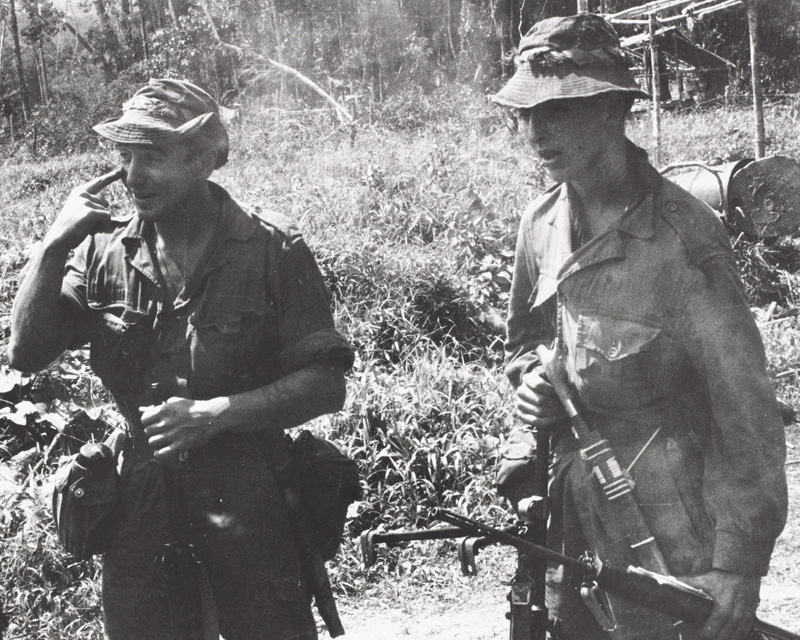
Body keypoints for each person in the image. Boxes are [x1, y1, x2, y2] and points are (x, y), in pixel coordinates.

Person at [7, 78, 354, 640]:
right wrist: (51, 249)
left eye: (153, 156)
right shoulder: (102, 252)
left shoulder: (272, 248)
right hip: (142, 501)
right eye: (125, 157)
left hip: (248, 493)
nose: (133, 177)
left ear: (202, 159)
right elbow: (25, 352)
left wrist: (218, 414)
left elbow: (325, 383)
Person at [494, 14, 787, 640]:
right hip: (568, 516)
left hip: (671, 531)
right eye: (526, 114)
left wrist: (738, 567)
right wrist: (530, 384)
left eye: (556, 110)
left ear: (609, 109)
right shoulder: (539, 223)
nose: (537, 131)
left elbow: (744, 409)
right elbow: (523, 345)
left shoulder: (682, 236)